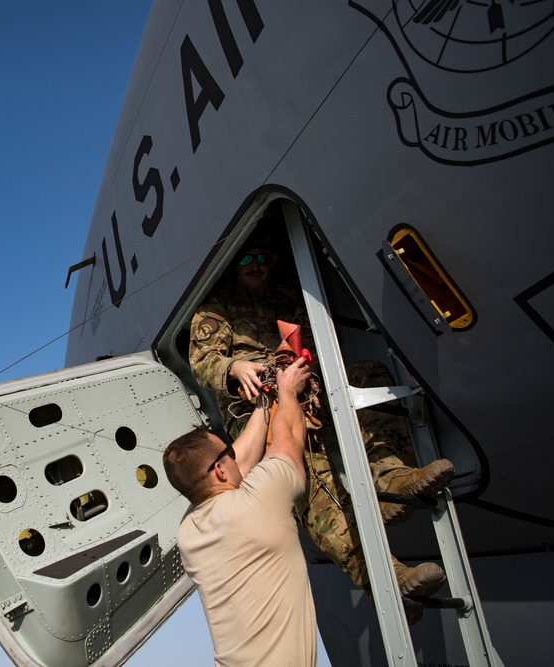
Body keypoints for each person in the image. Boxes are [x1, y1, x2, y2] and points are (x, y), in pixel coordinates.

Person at [189, 230, 453, 623]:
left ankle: (392, 478)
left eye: (262, 258)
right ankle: (386, 579)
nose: (255, 266)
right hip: (261, 406)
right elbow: (203, 361)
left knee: (367, 375)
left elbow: (312, 339)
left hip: (302, 386)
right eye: (246, 260)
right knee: (313, 487)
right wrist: (235, 367)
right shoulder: (217, 309)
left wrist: (305, 368)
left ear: (272, 262)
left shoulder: (286, 297)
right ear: (235, 267)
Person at [164, 359, 317, 667]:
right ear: (220, 470)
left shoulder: (189, 533)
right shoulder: (259, 500)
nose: (235, 455)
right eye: (227, 453)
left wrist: (265, 401)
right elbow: (289, 434)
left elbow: (240, 464)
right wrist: (287, 391)